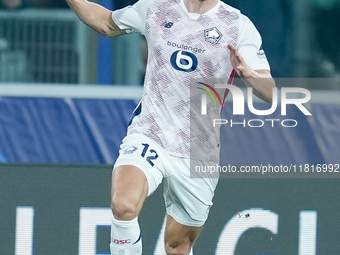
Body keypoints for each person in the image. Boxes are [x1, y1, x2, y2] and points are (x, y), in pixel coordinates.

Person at [65, 0, 275, 254]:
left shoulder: (238, 25)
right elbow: (106, 24)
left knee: (177, 246)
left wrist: (248, 74)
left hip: (198, 151)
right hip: (150, 133)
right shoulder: (156, 7)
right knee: (123, 205)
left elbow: (270, 92)